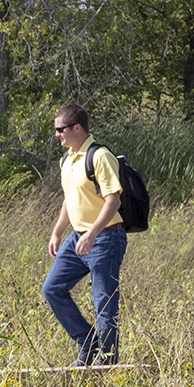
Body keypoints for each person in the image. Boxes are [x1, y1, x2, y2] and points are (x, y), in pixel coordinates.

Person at [42, 104, 125, 366]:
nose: (57, 134)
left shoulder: (99, 156)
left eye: (60, 129)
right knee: (52, 289)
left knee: (105, 302)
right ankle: (89, 344)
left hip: (105, 238)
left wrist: (92, 234)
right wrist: (57, 233)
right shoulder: (67, 158)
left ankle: (107, 362)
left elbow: (114, 202)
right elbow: (70, 199)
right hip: (78, 238)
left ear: (77, 128)